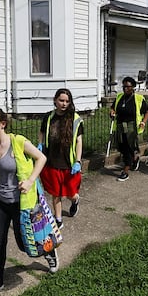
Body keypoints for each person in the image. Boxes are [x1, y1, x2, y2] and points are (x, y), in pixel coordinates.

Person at [0, 108, 53, 296]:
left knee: (24, 244)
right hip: (1, 201)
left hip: (21, 203)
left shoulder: (18, 142)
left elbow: (42, 158)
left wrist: (30, 180)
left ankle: (49, 252)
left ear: (3, 124)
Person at [38, 89, 83, 229]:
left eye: (67, 101)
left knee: (70, 193)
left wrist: (78, 161)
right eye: (61, 100)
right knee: (55, 193)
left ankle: (75, 201)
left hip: (68, 163)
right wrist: (40, 145)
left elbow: (79, 141)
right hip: (52, 161)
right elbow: (42, 132)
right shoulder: (48, 117)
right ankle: (58, 219)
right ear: (55, 100)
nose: (64, 104)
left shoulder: (75, 119)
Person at [110, 76, 148, 181]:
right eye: (124, 86)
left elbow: (146, 111)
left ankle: (126, 170)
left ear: (133, 87)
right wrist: (112, 112)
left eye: (128, 87)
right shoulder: (119, 97)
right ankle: (135, 159)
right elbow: (113, 108)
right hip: (120, 126)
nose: (125, 89)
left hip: (131, 126)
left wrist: (144, 121)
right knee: (122, 148)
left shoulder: (138, 99)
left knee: (128, 148)